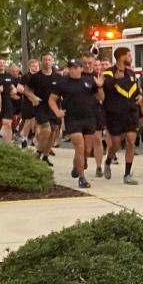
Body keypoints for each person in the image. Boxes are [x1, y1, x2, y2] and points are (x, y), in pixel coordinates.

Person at [49, 59, 101, 188]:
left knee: (87, 150)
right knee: (79, 147)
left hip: (89, 118)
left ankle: (76, 166)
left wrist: (99, 86)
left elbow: (101, 98)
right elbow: (51, 99)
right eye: (71, 68)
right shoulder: (63, 83)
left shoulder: (88, 81)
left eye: (75, 67)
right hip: (73, 119)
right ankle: (82, 178)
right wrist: (57, 111)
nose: (73, 70)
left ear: (81, 69)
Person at [101, 47, 142, 184]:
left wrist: (141, 96)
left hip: (131, 112)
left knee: (131, 141)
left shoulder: (131, 73)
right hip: (114, 114)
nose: (131, 58)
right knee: (116, 145)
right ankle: (108, 161)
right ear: (121, 57)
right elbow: (104, 90)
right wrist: (114, 82)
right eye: (129, 56)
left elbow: (137, 89)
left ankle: (127, 174)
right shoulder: (108, 73)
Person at [26, 54, 58, 164]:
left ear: (52, 61)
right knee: (46, 129)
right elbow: (27, 90)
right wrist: (33, 97)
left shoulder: (57, 77)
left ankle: (45, 156)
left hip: (54, 107)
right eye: (45, 60)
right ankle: (38, 151)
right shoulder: (36, 77)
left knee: (53, 131)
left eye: (49, 60)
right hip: (41, 107)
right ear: (42, 62)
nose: (47, 62)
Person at [0, 57, 16, 143]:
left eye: (3, 62)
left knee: (8, 124)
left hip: (7, 102)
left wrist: (13, 89)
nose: (2, 64)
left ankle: (8, 147)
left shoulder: (8, 75)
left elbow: (11, 85)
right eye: (0, 62)